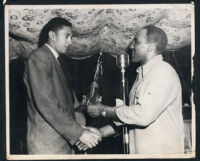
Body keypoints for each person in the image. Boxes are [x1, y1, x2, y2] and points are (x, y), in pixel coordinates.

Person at [87, 25, 185, 154]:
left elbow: (142, 115)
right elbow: (132, 117)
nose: (131, 46)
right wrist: (101, 132)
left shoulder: (162, 72)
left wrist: (103, 110)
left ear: (151, 46)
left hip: (160, 152)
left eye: (136, 41)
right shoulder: (142, 75)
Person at [23, 17, 102, 154]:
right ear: (52, 36)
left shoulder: (57, 61)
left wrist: (84, 129)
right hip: (47, 146)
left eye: (71, 37)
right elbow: (47, 104)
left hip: (61, 143)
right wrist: (80, 133)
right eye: (67, 36)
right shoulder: (40, 56)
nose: (70, 42)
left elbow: (69, 106)